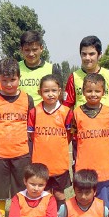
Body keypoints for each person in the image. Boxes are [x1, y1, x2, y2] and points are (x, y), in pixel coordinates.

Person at [0, 58, 34, 217]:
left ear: (19, 78)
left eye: (12, 79)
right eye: (4, 80)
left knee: (20, 193)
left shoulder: (27, 99)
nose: (8, 84)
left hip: (21, 154)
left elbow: (31, 129)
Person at [28, 74, 73, 209]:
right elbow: (31, 136)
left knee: (59, 194)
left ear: (60, 91)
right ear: (40, 92)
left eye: (54, 90)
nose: (50, 94)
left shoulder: (66, 112)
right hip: (41, 164)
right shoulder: (34, 112)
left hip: (60, 164)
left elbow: (69, 136)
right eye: (46, 91)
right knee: (44, 193)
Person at [70, 73, 109, 207]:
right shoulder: (76, 113)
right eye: (89, 91)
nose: (93, 94)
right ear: (83, 91)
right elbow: (74, 137)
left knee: (103, 203)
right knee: (84, 200)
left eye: (97, 91)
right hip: (84, 165)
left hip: (103, 165)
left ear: (104, 92)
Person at [63, 35, 109, 108]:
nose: (87, 58)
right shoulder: (74, 77)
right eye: (84, 54)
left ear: (100, 55)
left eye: (91, 54)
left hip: (104, 118)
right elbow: (67, 106)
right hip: (81, 119)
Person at [18, 30, 59, 105]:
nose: (31, 54)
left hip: (44, 115)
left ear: (41, 48)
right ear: (21, 50)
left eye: (34, 50)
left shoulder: (51, 69)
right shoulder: (15, 68)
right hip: (22, 114)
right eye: (27, 50)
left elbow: (59, 97)